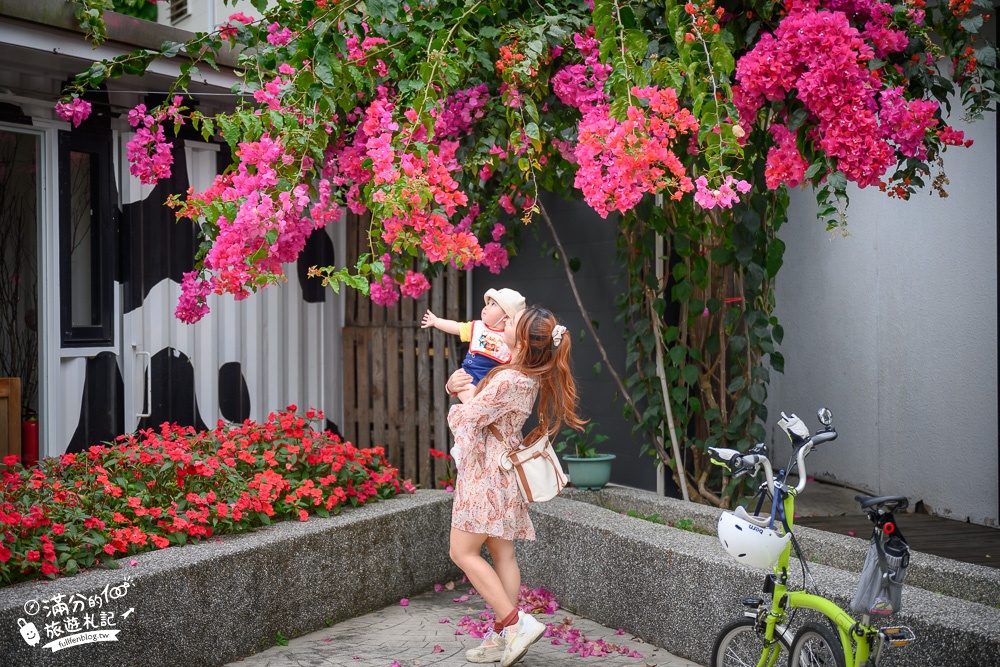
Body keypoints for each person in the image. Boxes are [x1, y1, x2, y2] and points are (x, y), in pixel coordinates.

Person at [445, 305, 584, 666]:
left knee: (462, 552)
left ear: (522, 339)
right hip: (504, 475)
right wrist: (461, 388)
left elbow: (469, 417)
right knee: (503, 554)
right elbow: (485, 409)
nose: (503, 323)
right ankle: (501, 639)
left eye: (511, 323)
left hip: (485, 475)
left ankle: (514, 623)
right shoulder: (527, 375)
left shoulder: (510, 378)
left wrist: (457, 393)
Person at [421, 288, 526, 404]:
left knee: (487, 399)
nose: (486, 307)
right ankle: (474, 408)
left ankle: (478, 409)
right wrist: (436, 322)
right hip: (470, 376)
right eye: (488, 303)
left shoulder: (510, 338)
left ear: (506, 317)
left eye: (493, 305)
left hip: (491, 382)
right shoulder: (477, 327)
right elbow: (456, 327)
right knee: (465, 389)